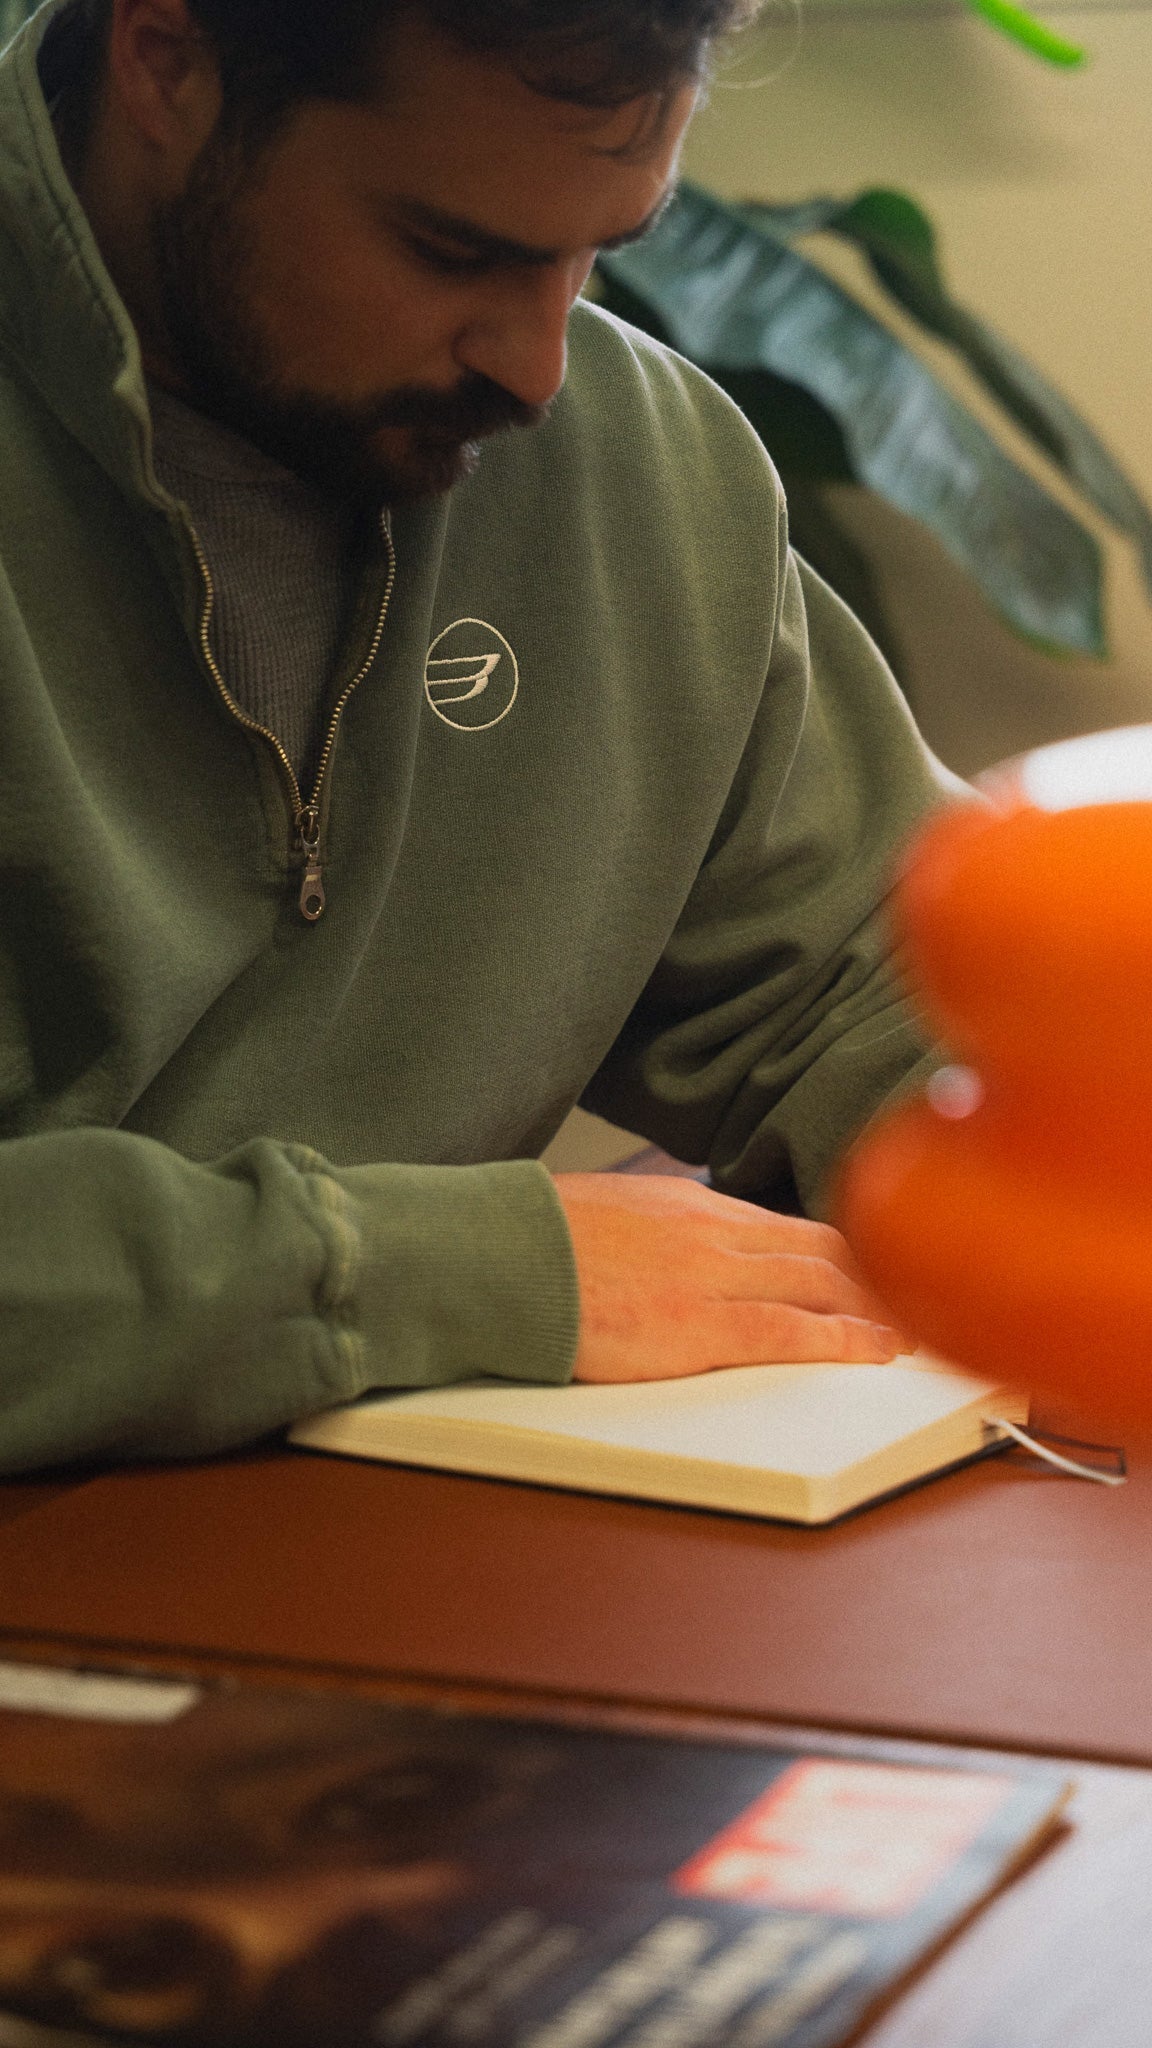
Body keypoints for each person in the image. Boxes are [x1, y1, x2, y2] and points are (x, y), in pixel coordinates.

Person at [0, 0, 962, 1476]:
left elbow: (870, 995)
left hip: (430, 1559)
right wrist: (416, 1274)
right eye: (452, 251)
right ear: (166, 56)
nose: (540, 369)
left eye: (599, 254)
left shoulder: (647, 473)